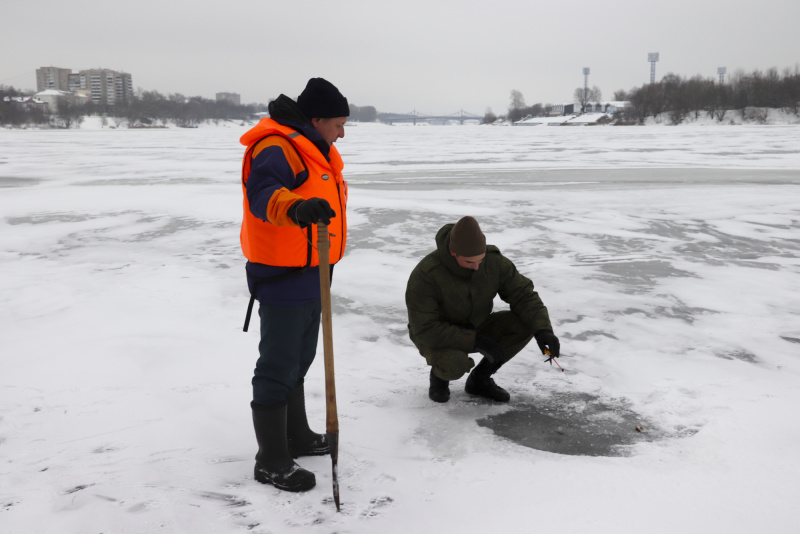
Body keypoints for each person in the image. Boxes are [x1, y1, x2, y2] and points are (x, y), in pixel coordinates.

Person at [239, 78, 349, 492]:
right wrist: (298, 207)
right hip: (283, 274)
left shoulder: (315, 148)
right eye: (338, 123)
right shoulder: (276, 146)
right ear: (316, 119)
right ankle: (270, 459)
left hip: (312, 271)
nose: (342, 133)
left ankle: (296, 435)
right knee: (278, 366)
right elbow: (263, 194)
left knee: (299, 359)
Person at [405, 216, 560, 403]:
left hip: (475, 324)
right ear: (454, 253)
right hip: (437, 334)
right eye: (470, 262)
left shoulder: (494, 262)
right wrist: (475, 341)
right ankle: (440, 377)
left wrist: (543, 329)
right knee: (454, 364)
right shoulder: (426, 275)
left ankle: (479, 380)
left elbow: (523, 295)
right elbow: (425, 328)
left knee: (525, 323)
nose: (477, 267)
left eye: (481, 259)